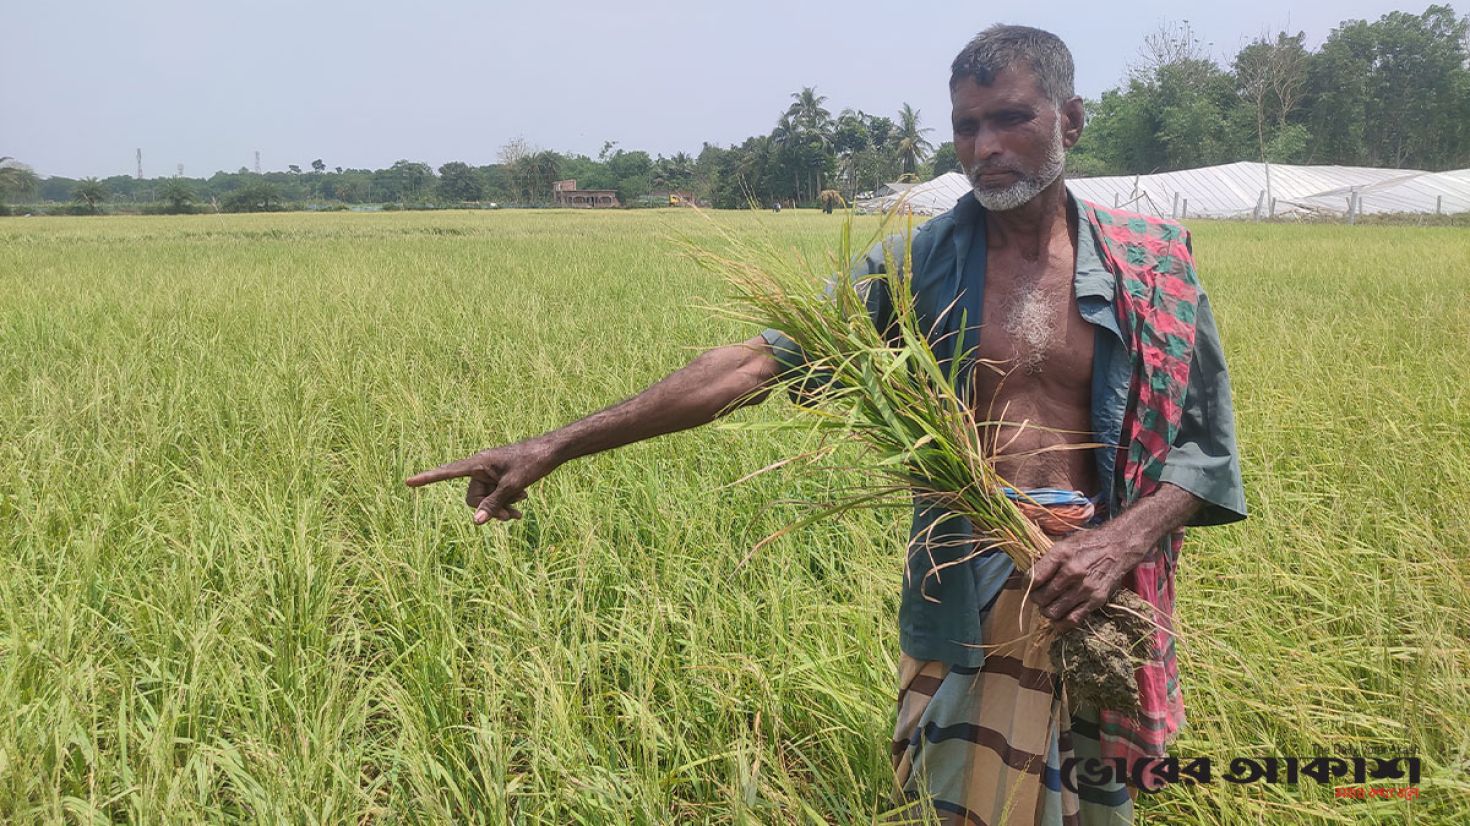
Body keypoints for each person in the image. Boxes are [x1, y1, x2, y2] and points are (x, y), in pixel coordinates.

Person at [406, 24, 1245, 825]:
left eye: (1011, 118)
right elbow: (752, 365)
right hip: (963, 593)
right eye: (966, 126)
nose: (984, 147)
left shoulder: (1150, 265)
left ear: (1070, 121)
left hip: (1094, 597)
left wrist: (1118, 542)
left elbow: (1205, 452)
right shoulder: (917, 265)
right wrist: (555, 444)